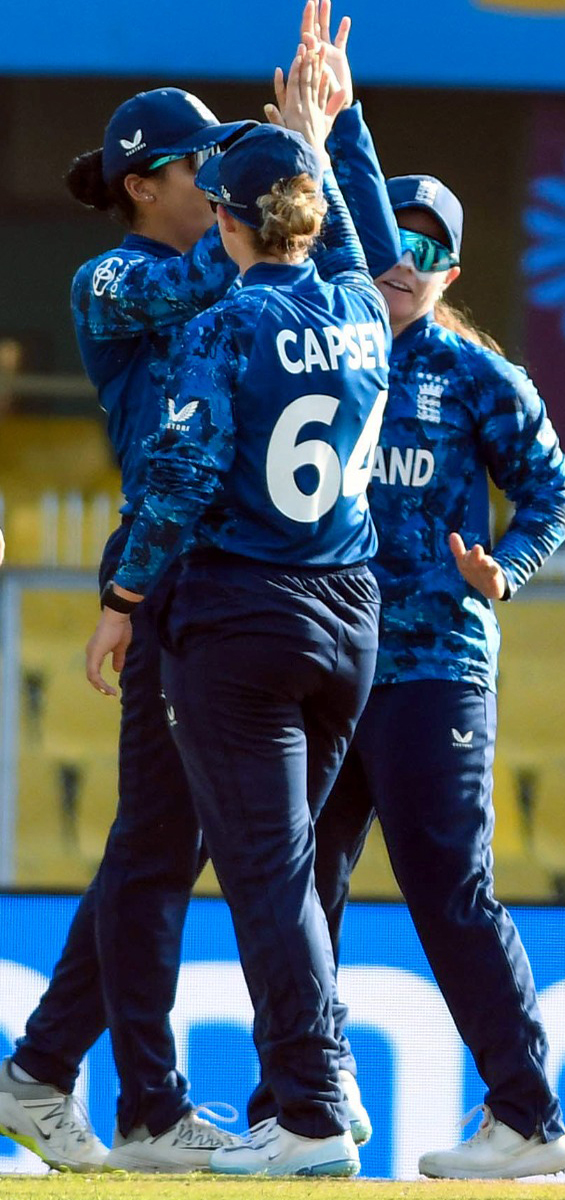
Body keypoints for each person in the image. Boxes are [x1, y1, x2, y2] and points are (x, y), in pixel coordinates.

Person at [85, 45, 386, 1177]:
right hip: (347, 606)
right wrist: (318, 144)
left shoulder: (229, 322)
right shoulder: (357, 305)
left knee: (251, 867)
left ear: (229, 215)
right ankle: (289, 1088)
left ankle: (307, 1104)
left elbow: (181, 473)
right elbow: (352, 251)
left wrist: (122, 596)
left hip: (232, 598)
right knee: (251, 858)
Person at [300, 152, 565, 1177]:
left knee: (451, 891)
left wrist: (506, 568)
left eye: (430, 249)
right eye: (396, 238)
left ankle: (528, 1119)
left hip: (433, 668)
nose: (407, 260)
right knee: (299, 886)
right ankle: (305, 1103)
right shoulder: (319, 351)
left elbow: (554, 496)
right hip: (325, 663)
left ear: (452, 271)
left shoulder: (476, 376)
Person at [0, 83, 255, 1174]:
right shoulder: (110, 277)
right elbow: (209, 276)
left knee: (160, 844)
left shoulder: (234, 271)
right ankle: (145, 1106)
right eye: (202, 167)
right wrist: (283, 171)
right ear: (144, 185)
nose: (220, 184)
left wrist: (322, 145)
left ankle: (43, 1071)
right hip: (164, 571)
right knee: (157, 845)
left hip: (227, 574)